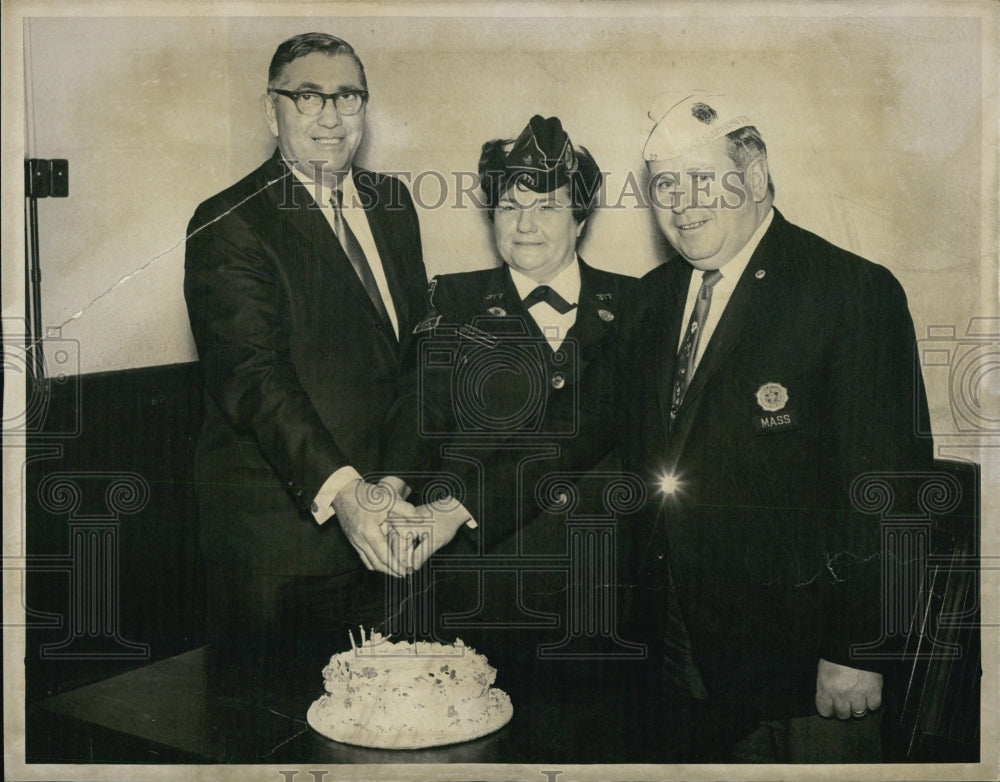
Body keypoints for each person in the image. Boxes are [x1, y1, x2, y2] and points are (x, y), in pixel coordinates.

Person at [397, 93, 934, 763]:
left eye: (702, 180)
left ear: (757, 174)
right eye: (666, 186)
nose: (683, 203)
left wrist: (862, 647)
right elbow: (578, 430)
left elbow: (892, 487)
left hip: (801, 666)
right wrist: (457, 508)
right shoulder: (654, 298)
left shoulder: (849, 292)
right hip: (669, 650)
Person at [381, 116, 645, 744]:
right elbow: (418, 411)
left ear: (581, 216)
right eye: (510, 205)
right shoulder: (452, 298)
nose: (525, 224)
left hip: (605, 605)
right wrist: (390, 485)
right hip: (478, 595)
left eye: (548, 206)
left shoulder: (641, 305)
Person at [183, 33, 426, 676]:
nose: (329, 116)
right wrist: (347, 493)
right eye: (308, 96)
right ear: (273, 112)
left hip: (386, 536)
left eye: (347, 96)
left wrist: (391, 485)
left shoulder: (394, 204)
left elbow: (414, 361)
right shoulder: (228, 221)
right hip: (280, 554)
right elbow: (256, 381)